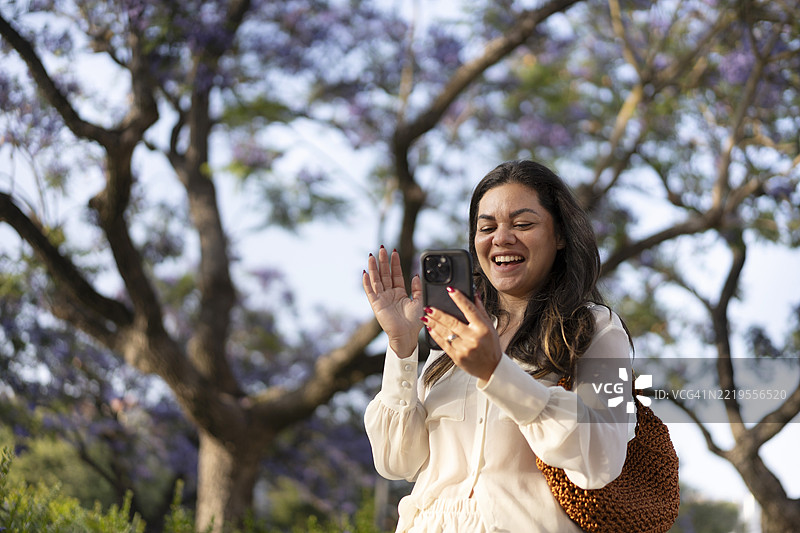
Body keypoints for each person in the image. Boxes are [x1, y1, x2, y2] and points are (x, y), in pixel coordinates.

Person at [362, 160, 634, 532]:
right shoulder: (456, 331)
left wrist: (497, 373)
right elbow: (397, 461)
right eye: (487, 227)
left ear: (560, 235)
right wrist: (402, 346)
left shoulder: (599, 329)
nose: (501, 238)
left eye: (522, 224)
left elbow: (602, 458)